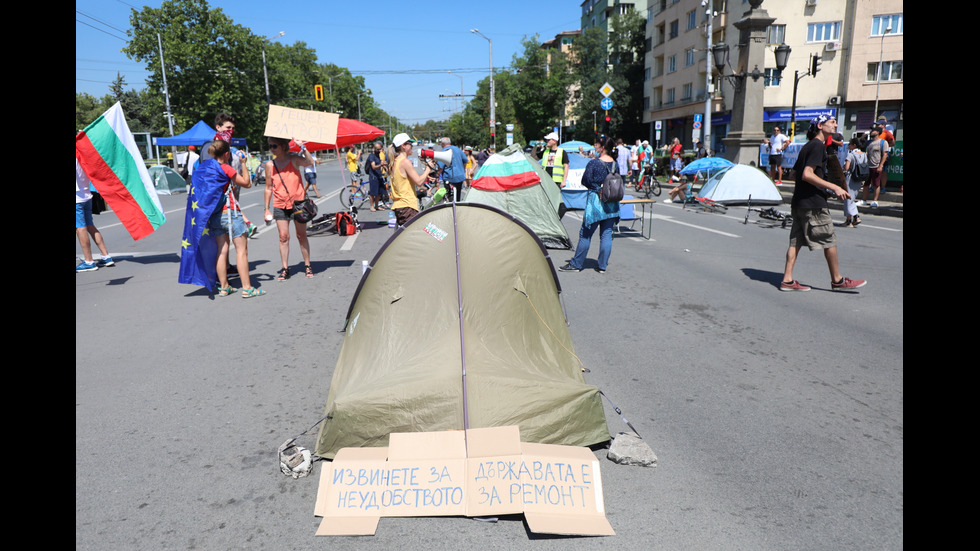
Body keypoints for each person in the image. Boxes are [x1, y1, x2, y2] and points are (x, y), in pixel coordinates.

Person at [780, 115, 866, 292]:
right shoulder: (818, 145)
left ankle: (787, 280)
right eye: (832, 122)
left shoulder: (807, 146)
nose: (835, 125)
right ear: (820, 126)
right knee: (829, 240)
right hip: (813, 205)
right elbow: (807, 174)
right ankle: (838, 280)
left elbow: (793, 175)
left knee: (795, 242)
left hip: (799, 202)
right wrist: (833, 187)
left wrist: (823, 189)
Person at [201, 140, 265, 297]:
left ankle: (224, 287)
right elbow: (246, 183)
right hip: (230, 213)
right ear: (226, 154)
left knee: (222, 252)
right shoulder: (225, 167)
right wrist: (244, 163)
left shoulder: (207, 169)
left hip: (215, 215)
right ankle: (247, 288)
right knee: (241, 251)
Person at [559, 137, 621, 274]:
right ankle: (602, 266)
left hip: (596, 203)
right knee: (606, 234)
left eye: (596, 145)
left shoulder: (594, 163)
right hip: (612, 203)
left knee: (585, 234)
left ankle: (576, 264)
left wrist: (597, 186)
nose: (595, 146)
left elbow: (585, 180)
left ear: (602, 147)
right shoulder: (615, 164)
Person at [263, 136, 315, 280]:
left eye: (274, 146)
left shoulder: (294, 159)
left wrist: (303, 147)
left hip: (298, 204)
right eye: (270, 146)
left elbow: (310, 162)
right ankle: (285, 268)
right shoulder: (269, 165)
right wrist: (266, 208)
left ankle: (307, 265)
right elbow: (268, 188)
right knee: (283, 237)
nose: (272, 149)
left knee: (301, 235)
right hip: (280, 204)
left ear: (283, 146)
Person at [76, 159, 114, 272]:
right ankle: (106, 256)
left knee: (80, 228)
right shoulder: (82, 155)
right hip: (87, 195)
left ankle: (89, 261)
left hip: (77, 198)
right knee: (90, 226)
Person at [390, 133, 432, 226]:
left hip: (400, 206)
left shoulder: (395, 161)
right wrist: (428, 169)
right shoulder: (405, 162)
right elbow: (419, 182)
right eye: (410, 143)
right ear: (403, 146)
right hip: (407, 206)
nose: (412, 146)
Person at [841, 137, 867, 228]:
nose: (848, 146)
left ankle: (854, 218)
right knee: (851, 199)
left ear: (854, 145)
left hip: (850, 178)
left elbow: (847, 168)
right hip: (859, 179)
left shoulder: (851, 155)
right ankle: (850, 219)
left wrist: (843, 168)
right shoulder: (864, 154)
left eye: (850, 144)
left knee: (848, 199)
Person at [861, 129, 890, 208]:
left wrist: (881, 165)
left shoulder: (883, 142)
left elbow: (885, 155)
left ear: (877, 132)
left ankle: (875, 200)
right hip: (868, 166)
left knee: (876, 184)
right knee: (866, 184)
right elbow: (861, 146)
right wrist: (863, 138)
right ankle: (864, 200)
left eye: (873, 131)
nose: (871, 132)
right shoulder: (869, 142)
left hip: (876, 166)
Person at [436, 137, 466, 201]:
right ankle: (457, 205)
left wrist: (437, 176)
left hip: (449, 177)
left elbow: (440, 167)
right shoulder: (458, 149)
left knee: (449, 195)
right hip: (460, 176)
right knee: (458, 195)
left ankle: (451, 206)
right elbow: (465, 160)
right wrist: (463, 170)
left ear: (443, 143)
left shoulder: (443, 152)